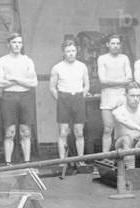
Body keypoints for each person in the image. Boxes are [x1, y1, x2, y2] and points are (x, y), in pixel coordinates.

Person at [49, 36, 90, 176]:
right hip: (64, 99)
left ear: (76, 51)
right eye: (68, 51)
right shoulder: (57, 67)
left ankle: (81, 160)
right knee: (63, 131)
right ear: (63, 52)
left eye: (73, 50)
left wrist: (80, 97)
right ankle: (62, 161)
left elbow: (87, 85)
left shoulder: (82, 66)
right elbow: (52, 88)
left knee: (79, 131)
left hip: (78, 98)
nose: (71, 53)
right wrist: (60, 100)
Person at [0, 32, 38, 165]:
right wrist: (22, 80)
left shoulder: (27, 60)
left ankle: (27, 163)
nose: (17, 45)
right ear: (9, 44)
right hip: (9, 97)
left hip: (25, 97)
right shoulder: (2, 61)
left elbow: (33, 83)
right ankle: (8, 163)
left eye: (19, 42)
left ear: (22, 44)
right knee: (10, 132)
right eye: (14, 42)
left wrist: (14, 78)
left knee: (25, 132)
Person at [96, 33, 132, 153]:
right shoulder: (102, 58)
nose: (115, 46)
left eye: (117, 43)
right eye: (113, 43)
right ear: (107, 44)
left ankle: (124, 156)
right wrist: (120, 81)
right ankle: (105, 158)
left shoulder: (124, 58)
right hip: (107, 96)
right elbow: (103, 80)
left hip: (122, 95)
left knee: (123, 128)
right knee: (107, 129)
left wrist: (111, 81)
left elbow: (129, 78)